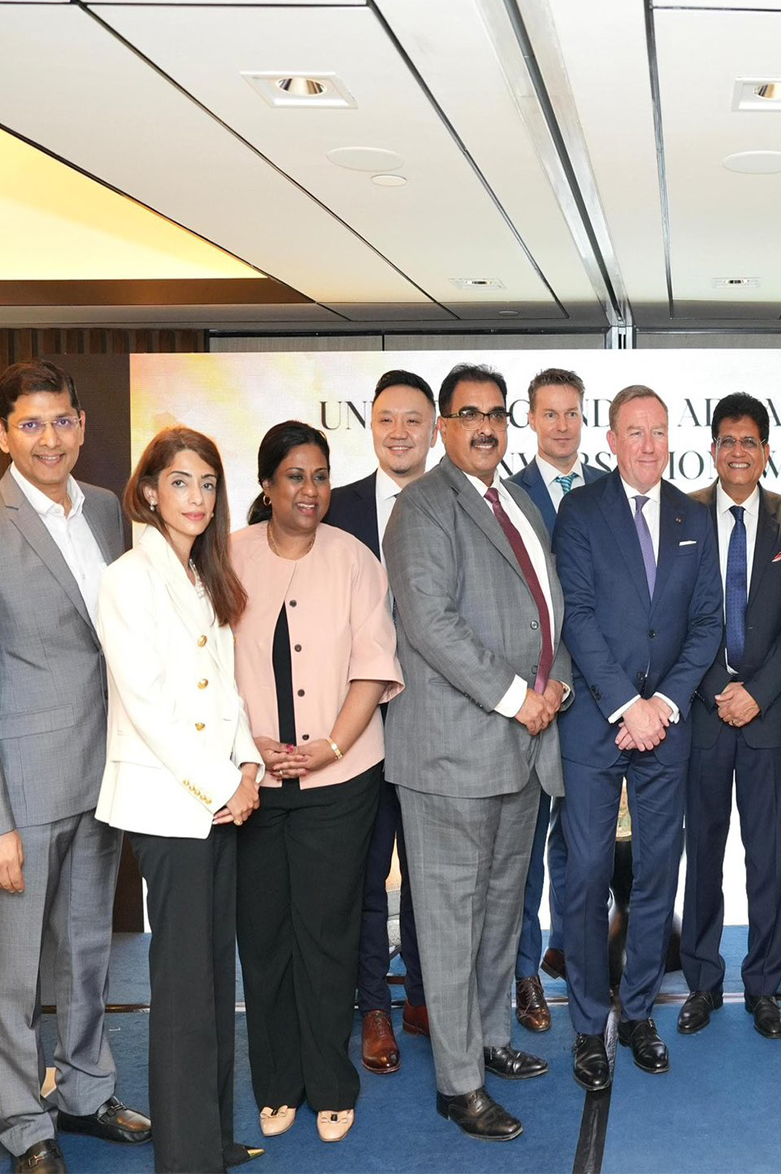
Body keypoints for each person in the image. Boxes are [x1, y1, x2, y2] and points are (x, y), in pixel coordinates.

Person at [0, 360, 149, 1174]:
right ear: (0, 433)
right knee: (15, 975)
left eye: (60, 421)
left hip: (105, 776)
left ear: (82, 426)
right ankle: (25, 1122)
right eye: (30, 424)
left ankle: (87, 1091)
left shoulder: (105, 513)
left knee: (88, 951)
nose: (48, 438)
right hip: (19, 794)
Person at [383, 363, 569, 1142]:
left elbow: (547, 608)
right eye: (469, 414)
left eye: (496, 413)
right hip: (455, 758)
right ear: (443, 426)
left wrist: (554, 682)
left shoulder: (516, 499)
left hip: (521, 751)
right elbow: (431, 623)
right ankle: (459, 1085)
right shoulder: (424, 508)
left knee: (498, 916)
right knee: (451, 926)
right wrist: (516, 697)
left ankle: (492, 1038)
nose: (486, 425)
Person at [94, 428, 264, 1173]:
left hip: (217, 798)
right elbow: (150, 706)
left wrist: (250, 765)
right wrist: (224, 783)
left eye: (207, 484)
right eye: (181, 482)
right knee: (185, 986)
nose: (196, 498)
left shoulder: (201, 576)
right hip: (171, 806)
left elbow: (225, 695)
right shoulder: (130, 578)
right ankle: (187, 1157)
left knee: (212, 982)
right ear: (149, 490)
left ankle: (213, 1140)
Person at [230, 421, 402, 1145]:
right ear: (267, 485)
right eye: (296, 476)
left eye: (322, 476)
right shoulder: (226, 557)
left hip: (342, 780)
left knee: (326, 936)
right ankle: (278, 1084)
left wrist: (329, 746)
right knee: (264, 938)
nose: (311, 490)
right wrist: (250, 747)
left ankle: (331, 1083)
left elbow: (372, 668)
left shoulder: (356, 559)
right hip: (251, 783)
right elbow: (204, 666)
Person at [552, 384, 721, 1090]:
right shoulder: (581, 510)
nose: (649, 445)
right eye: (635, 432)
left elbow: (707, 622)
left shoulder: (694, 516)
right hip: (597, 727)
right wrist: (628, 704)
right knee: (587, 874)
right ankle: (591, 1025)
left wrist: (666, 704)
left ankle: (643, 1012)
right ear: (612, 441)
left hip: (667, 731)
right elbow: (578, 617)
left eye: (659, 432)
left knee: (656, 877)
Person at [678, 393, 781, 1040]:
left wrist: (757, 691)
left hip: (767, 714)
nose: (738, 451)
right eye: (727, 440)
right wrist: (713, 690)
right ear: (713, 448)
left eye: (750, 441)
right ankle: (703, 982)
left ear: (766, 451)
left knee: (768, 857)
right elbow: (674, 617)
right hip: (703, 716)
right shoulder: (685, 515)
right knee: (702, 854)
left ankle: (763, 986)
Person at [321, 368, 438, 1076]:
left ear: (434, 429)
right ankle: (374, 1009)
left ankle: (426, 994)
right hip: (355, 728)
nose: (400, 433)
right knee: (364, 879)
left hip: (435, 727)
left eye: (414, 421)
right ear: (370, 424)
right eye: (388, 419)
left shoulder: (457, 504)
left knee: (430, 876)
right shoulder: (334, 509)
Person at [508, 367, 608, 1031]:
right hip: (533, 696)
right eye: (550, 414)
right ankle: (523, 977)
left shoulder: (608, 489)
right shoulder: (506, 496)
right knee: (525, 847)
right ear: (531, 419)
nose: (563, 425)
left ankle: (577, 957)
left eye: (572, 413)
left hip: (595, 696)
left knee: (581, 844)